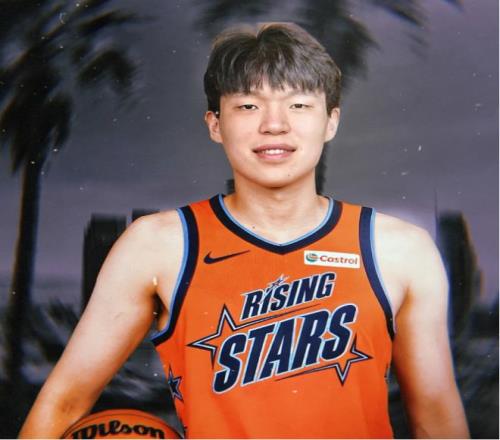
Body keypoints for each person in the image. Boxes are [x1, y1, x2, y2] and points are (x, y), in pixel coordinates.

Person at [20, 23, 469, 438]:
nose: (275, 124)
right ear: (215, 125)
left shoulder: (399, 250)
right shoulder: (158, 245)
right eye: (248, 106)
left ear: (331, 121)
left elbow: (436, 419)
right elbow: (62, 404)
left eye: (299, 105)